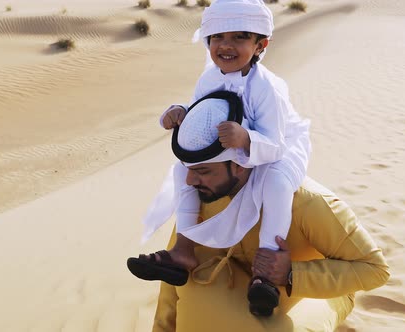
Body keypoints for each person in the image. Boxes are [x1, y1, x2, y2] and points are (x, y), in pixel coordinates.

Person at [128, 0, 311, 316]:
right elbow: (200, 110)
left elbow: (276, 144)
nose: (226, 46)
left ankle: (266, 273)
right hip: (227, 149)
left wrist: (245, 138)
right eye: (217, 37)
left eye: (240, 37)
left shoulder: (267, 88)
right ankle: (183, 251)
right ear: (207, 42)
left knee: (276, 184)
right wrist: (180, 113)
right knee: (182, 172)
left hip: (277, 146)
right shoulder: (209, 78)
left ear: (260, 45)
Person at [148, 93, 390, 331]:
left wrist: (290, 274)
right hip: (237, 282)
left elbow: (375, 269)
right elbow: (173, 283)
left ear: (240, 164)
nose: (190, 181)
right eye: (188, 169)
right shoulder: (206, 193)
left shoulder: (307, 202)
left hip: (306, 293)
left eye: (203, 171)